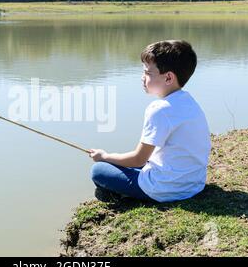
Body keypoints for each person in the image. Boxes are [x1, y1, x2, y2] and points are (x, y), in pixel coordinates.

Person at [89, 40, 211, 203]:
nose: (142, 77)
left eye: (148, 73)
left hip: (166, 189)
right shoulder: (188, 101)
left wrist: (105, 156)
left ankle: (123, 195)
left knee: (98, 170)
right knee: (126, 162)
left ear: (168, 77)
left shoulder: (159, 110)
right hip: (194, 184)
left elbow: (139, 159)